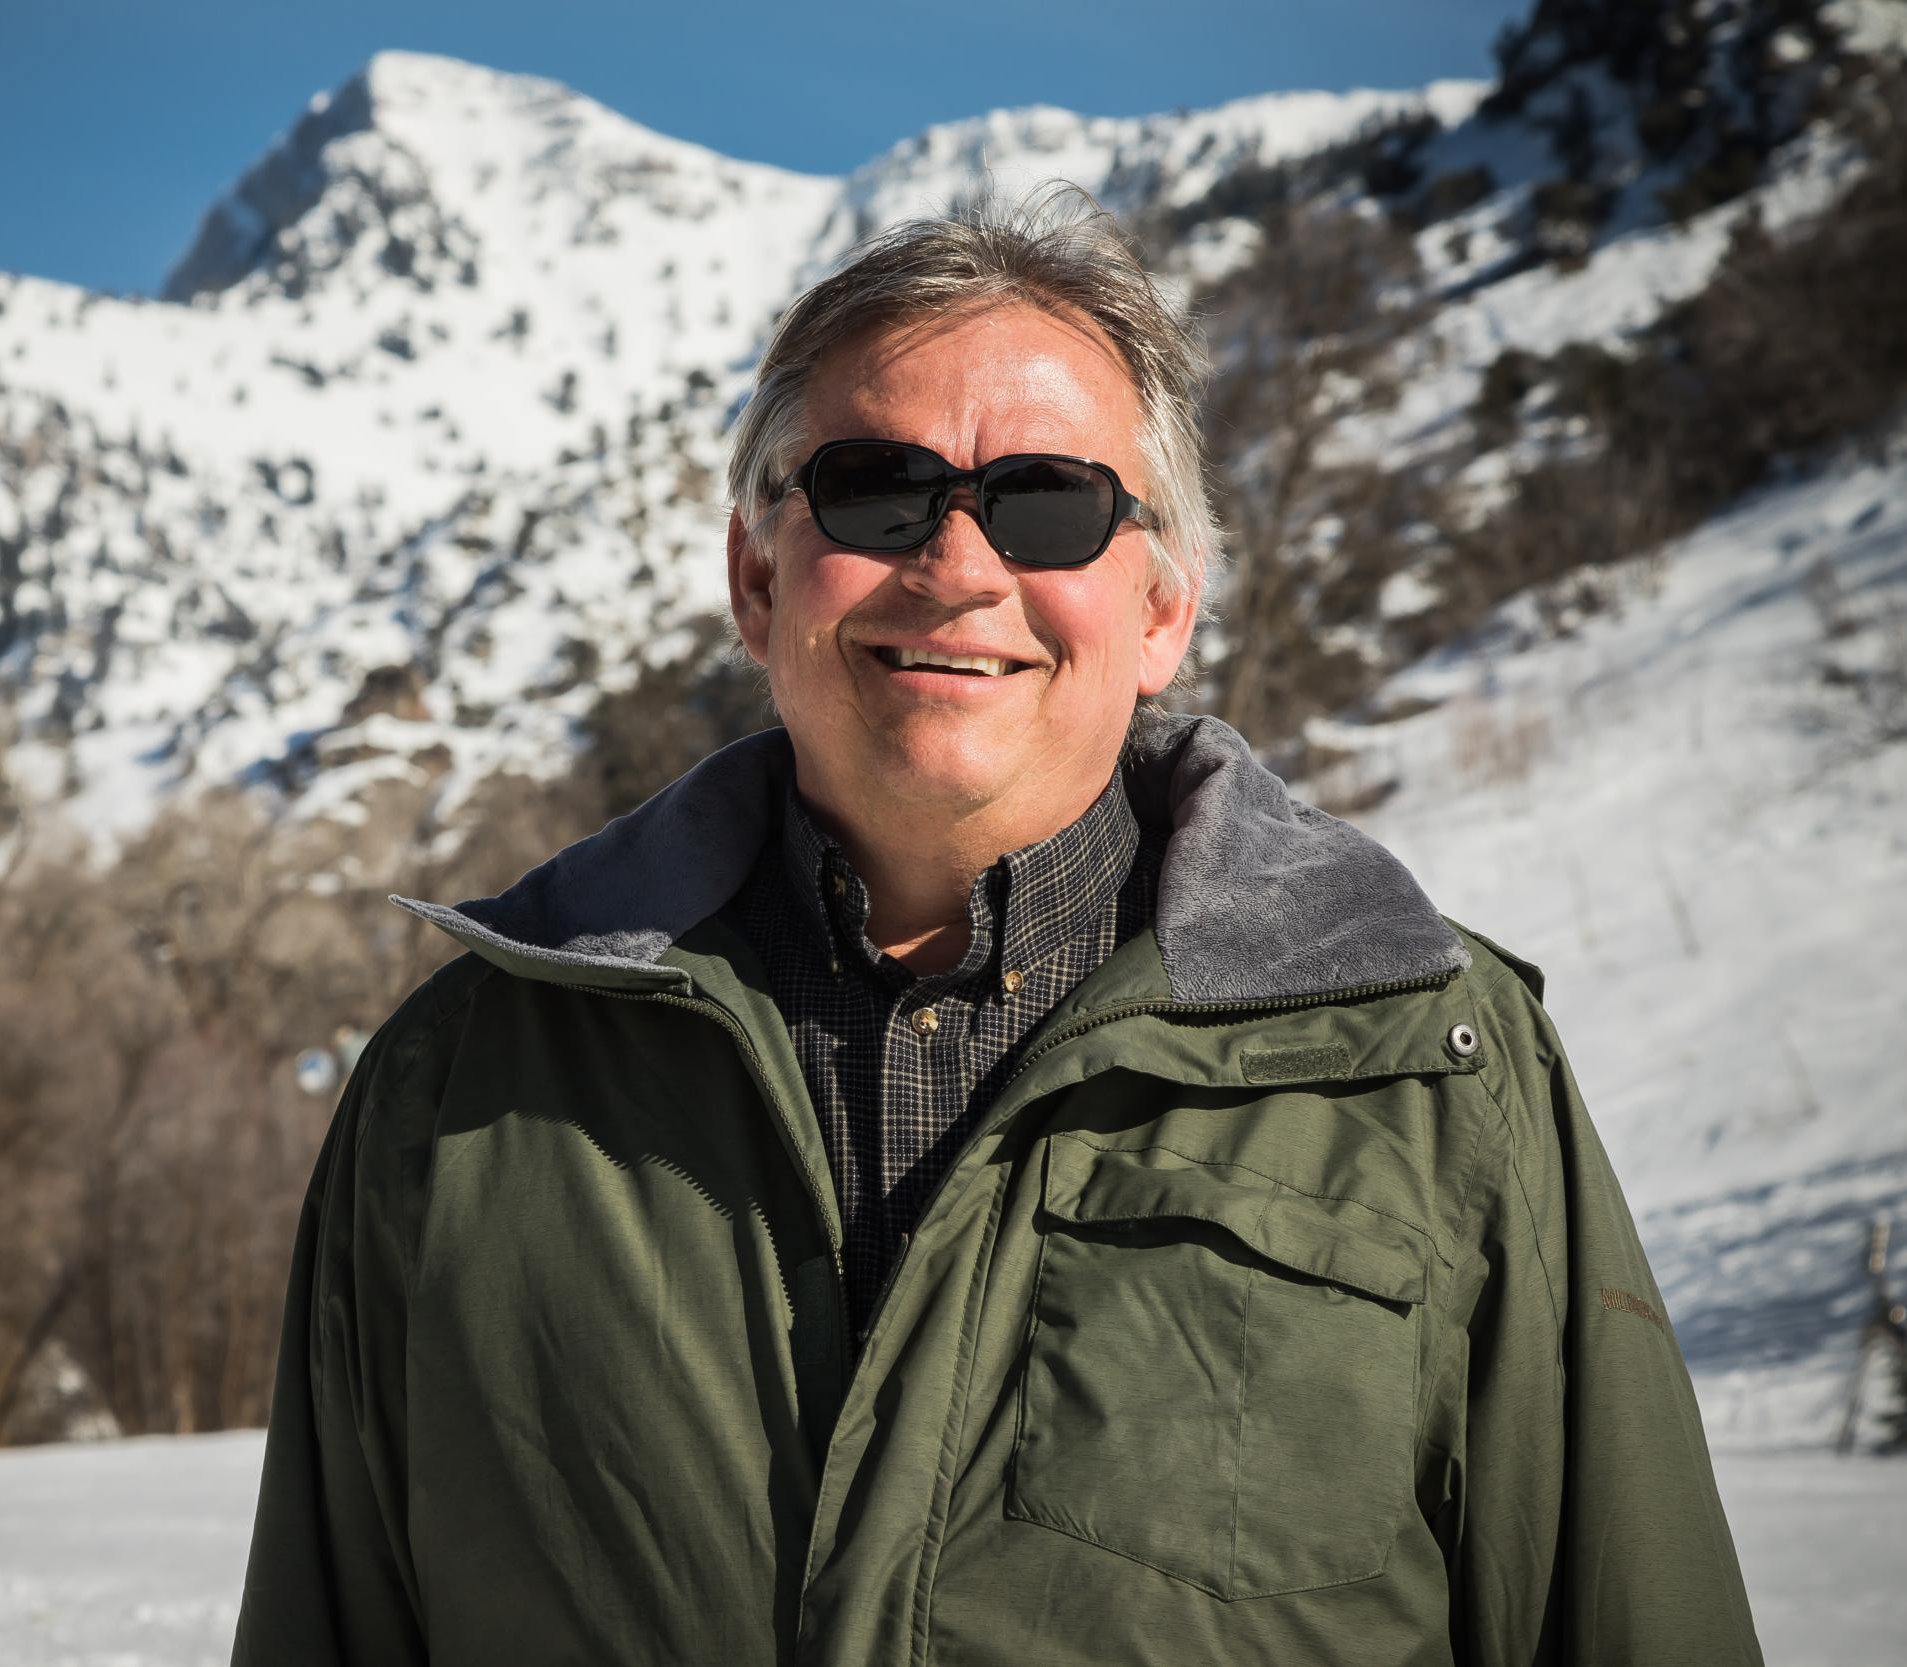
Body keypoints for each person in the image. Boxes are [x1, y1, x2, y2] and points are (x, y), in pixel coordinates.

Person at [232, 191, 1762, 1666]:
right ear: (755, 579)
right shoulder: (460, 1095)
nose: (959, 566)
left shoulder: (1435, 1077)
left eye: (1050, 505)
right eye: (875, 490)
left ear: (1163, 609)